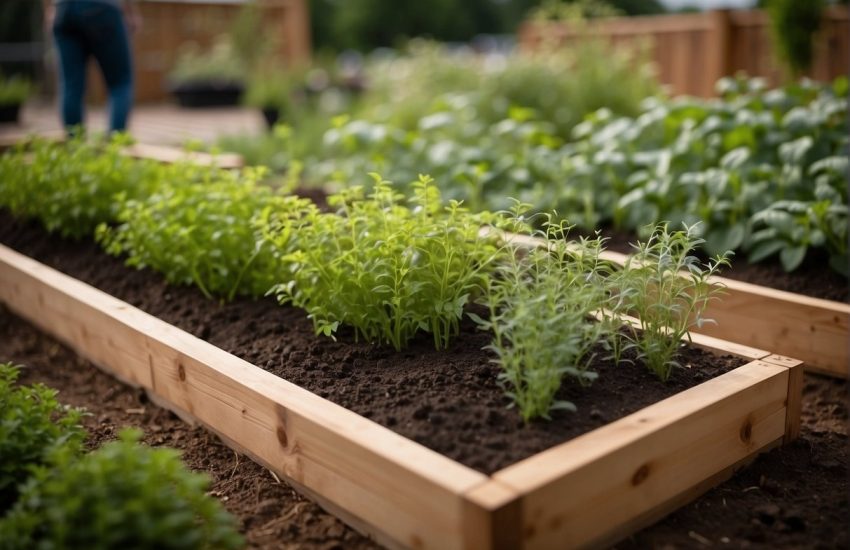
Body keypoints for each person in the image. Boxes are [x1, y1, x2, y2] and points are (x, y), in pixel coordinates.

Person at [44, 0, 141, 134]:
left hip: (64, 9)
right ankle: (115, 144)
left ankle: (75, 146)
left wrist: (52, 7)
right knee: (120, 83)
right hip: (102, 7)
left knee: (71, 85)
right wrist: (131, 12)